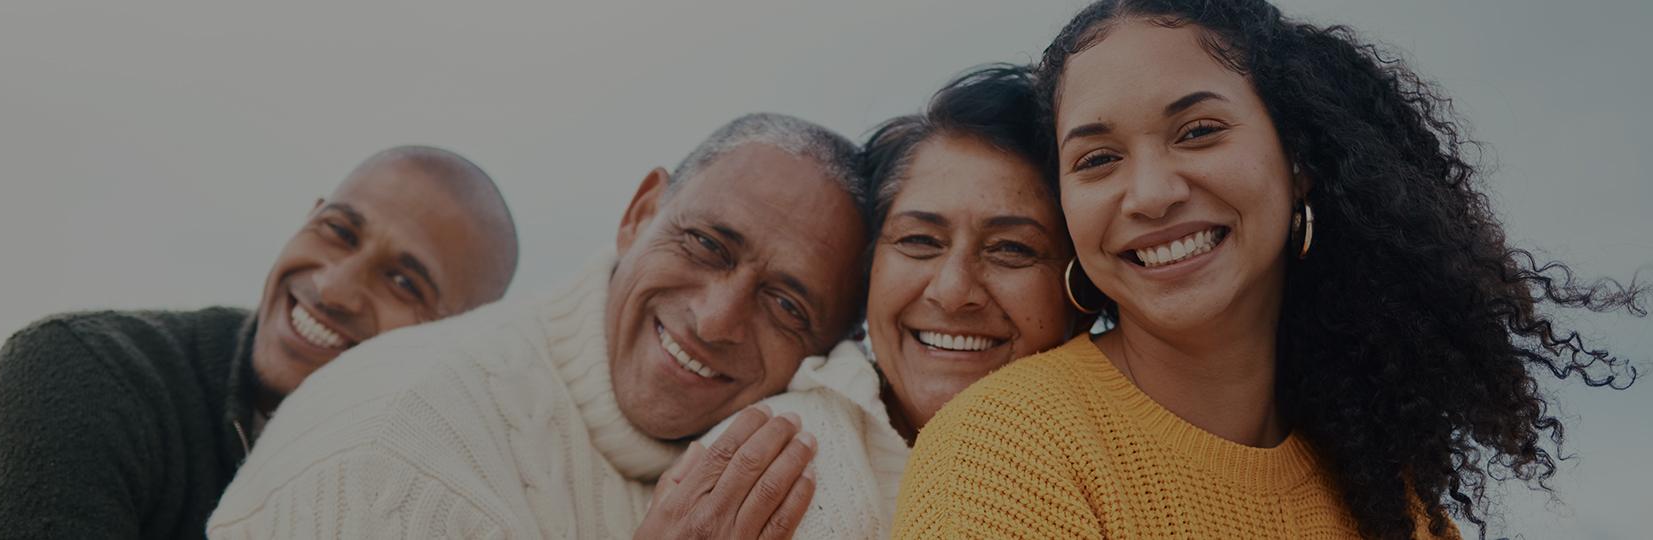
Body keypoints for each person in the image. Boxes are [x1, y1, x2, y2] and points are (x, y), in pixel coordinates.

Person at [892, 1, 1646, 539]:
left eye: (1198, 131)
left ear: (1298, 162)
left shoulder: (1387, 493)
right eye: (1097, 159)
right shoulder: (1004, 456)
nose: (1151, 193)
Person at [206, 113, 875, 539]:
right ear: (640, 213)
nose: (715, 318)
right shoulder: (399, 456)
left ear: (833, 347)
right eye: (705, 245)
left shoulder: (789, 463)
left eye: (787, 307)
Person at [0, 146, 520, 540]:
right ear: (308, 217)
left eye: (403, 282)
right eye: (338, 232)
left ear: (459, 342)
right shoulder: (83, 375)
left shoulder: (465, 503)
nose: (333, 287)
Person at [670, 64, 1088, 539]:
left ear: (1081, 285)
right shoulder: (765, 459)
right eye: (919, 240)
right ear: (869, 271)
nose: (952, 293)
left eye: (1011, 249)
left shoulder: (1129, 461)